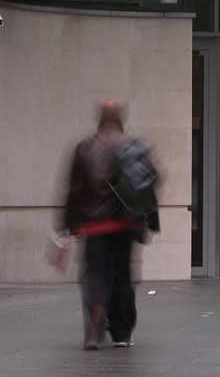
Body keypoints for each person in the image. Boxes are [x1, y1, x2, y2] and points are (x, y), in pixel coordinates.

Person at [61, 99, 160, 350]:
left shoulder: (85, 147)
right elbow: (147, 185)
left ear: (100, 119)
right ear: (120, 119)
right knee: (123, 274)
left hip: (94, 223)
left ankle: (96, 314)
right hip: (126, 223)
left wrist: (69, 223)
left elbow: (74, 188)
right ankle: (122, 332)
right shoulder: (133, 147)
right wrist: (152, 219)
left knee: (96, 273)